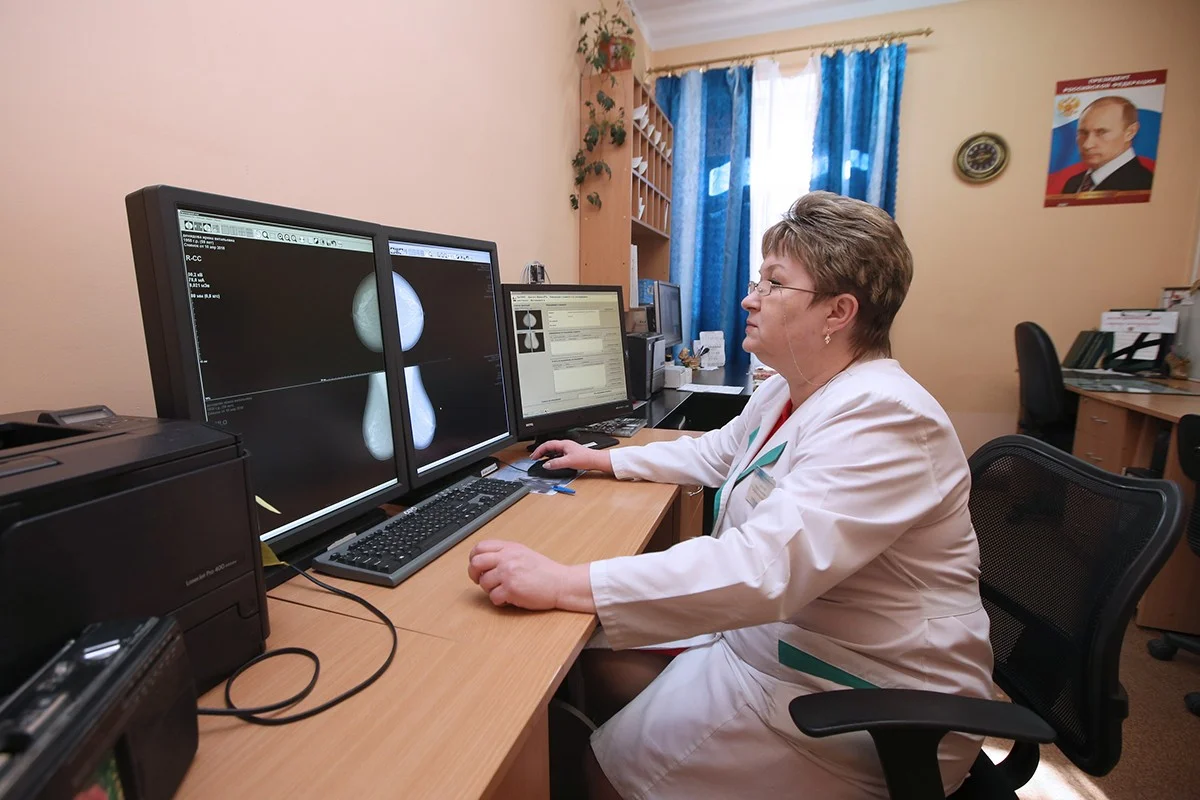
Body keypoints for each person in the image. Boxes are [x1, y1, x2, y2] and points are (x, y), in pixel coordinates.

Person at [467, 191, 995, 799]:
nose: (751, 298)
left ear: (838, 312)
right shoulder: (792, 389)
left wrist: (563, 581)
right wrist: (603, 458)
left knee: (600, 769)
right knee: (598, 665)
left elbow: (762, 568)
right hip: (783, 643)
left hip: (867, 699)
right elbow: (716, 453)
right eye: (757, 281)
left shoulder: (886, 418)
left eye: (774, 283)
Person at [1063, 95, 1154, 193]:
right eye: (1083, 133)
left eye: (1101, 132)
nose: (1087, 145)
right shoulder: (1072, 184)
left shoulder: (1144, 185)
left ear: (1130, 132)